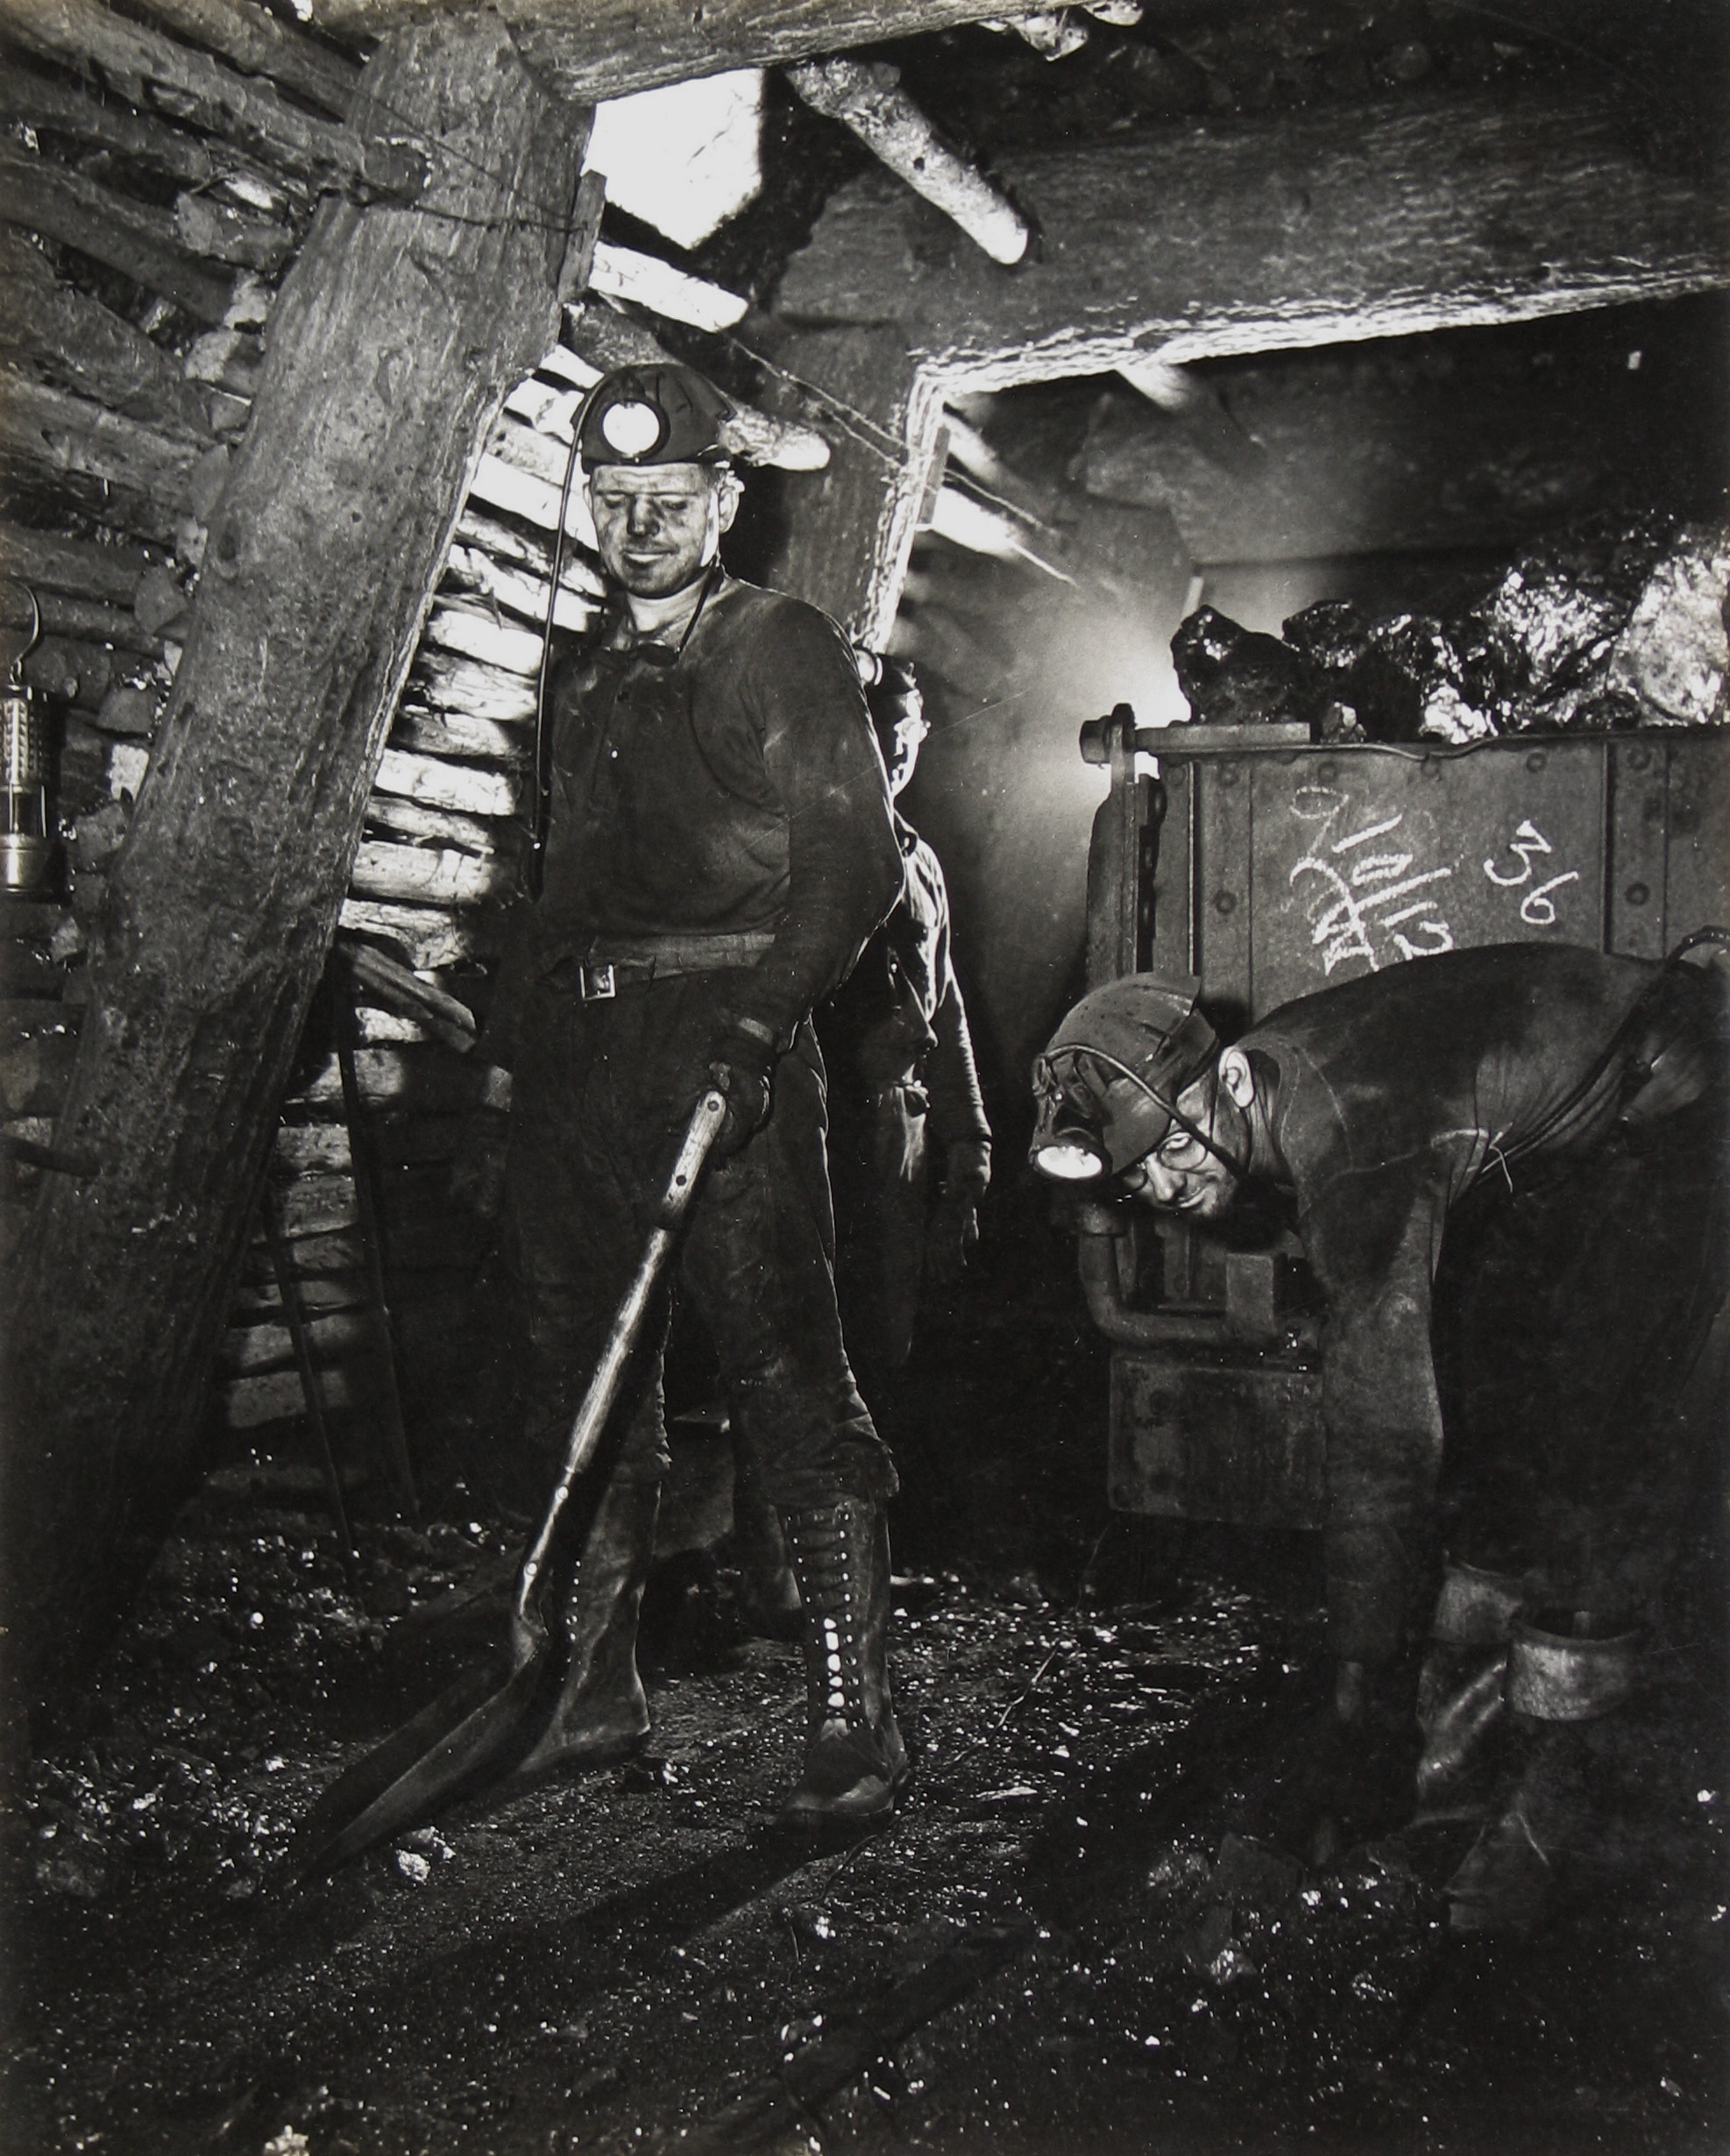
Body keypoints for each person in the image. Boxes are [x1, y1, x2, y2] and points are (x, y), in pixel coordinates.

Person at [463, 361, 908, 1824]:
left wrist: (758, 1028)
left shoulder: (779, 647)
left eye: (668, 498)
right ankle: (591, 1692)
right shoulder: (585, 679)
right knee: (583, 1388)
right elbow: (554, 894)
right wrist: (510, 1060)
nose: (638, 525)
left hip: (721, 1049)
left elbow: (853, 865)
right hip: (580, 1068)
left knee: (786, 1374)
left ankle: (850, 1719)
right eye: (613, 499)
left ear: (724, 502)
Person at [1031, 940, 1730, 1855]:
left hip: (1679, 1093)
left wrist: (1358, 1694)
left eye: (1169, 1147)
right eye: (1134, 1176)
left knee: (1588, 1428)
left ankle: (1554, 1801)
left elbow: (1382, 1441)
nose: (1163, 1187)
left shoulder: (1345, 1139)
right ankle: (1465, 1724)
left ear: (1230, 1081)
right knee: (1488, 1395)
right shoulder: (1273, 1087)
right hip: (1571, 1135)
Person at [820, 656, 992, 1406]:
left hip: (899, 1131)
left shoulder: (923, 864)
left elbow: (946, 1010)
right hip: (822, 1121)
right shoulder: (807, 847)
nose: (895, 751)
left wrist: (970, 1143)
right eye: (880, 731)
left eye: (908, 733)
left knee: (886, 1342)